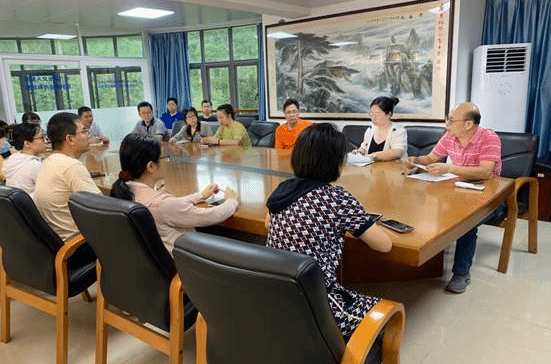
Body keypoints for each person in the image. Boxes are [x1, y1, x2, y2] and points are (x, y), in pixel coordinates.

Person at [265, 123, 392, 340]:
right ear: (336, 163)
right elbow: (384, 245)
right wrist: (360, 217)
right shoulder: (337, 199)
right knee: (386, 315)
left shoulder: (282, 190)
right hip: (318, 305)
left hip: (275, 297)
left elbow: (268, 224)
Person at [403, 102, 502, 293]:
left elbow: (485, 172)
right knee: (428, 204)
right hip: (458, 190)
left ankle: (461, 273)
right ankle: (428, 258)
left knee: (466, 220)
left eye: (450, 120)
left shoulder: (489, 137)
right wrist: (415, 160)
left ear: (468, 124)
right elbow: (431, 158)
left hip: (488, 196)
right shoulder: (450, 136)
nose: (446, 124)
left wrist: (449, 168)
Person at [111, 133, 239, 254]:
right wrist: (231, 201)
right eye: (164, 156)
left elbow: (175, 206)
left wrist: (200, 196)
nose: (167, 160)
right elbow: (211, 215)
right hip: (184, 263)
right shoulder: (161, 204)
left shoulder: (126, 191)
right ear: (151, 167)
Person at [33, 112, 102, 241]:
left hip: (60, 240)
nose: (89, 136)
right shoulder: (71, 165)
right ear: (70, 139)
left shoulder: (50, 161)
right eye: (84, 131)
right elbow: (102, 209)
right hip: (79, 243)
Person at [353, 96, 407, 161]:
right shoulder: (370, 130)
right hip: (371, 167)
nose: (373, 118)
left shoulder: (398, 131)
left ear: (389, 114)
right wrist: (359, 152)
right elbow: (364, 148)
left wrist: (373, 156)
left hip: (393, 167)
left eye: (378, 115)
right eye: (371, 114)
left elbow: (397, 152)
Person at [3, 123, 47, 195]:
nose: (45, 141)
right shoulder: (35, 165)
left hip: (19, 201)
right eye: (41, 137)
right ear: (27, 143)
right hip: (34, 201)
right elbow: (50, 192)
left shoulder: (12, 159)